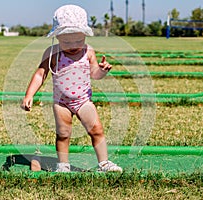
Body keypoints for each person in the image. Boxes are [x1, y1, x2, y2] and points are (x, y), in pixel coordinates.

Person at [21, 4, 122, 172]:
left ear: (84, 35)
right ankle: (63, 164)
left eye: (78, 40)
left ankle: (104, 163)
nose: (74, 45)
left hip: (83, 101)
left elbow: (94, 74)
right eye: (67, 41)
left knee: (96, 130)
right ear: (58, 37)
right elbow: (41, 74)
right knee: (63, 134)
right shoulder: (52, 53)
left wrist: (102, 71)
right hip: (61, 103)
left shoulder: (88, 52)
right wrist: (29, 94)